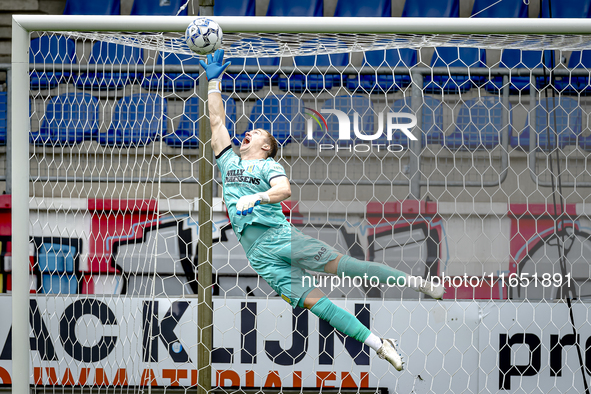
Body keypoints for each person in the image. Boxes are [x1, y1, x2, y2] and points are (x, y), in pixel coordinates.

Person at [199, 49, 444, 371]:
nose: (248, 133)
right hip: (258, 256)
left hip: (280, 237)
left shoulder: (268, 166)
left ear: (266, 147)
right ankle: (381, 345)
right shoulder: (228, 160)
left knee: (350, 268)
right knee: (320, 306)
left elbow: (284, 190)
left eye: (256, 134)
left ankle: (418, 283)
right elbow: (216, 119)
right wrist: (214, 81)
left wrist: (256, 199)